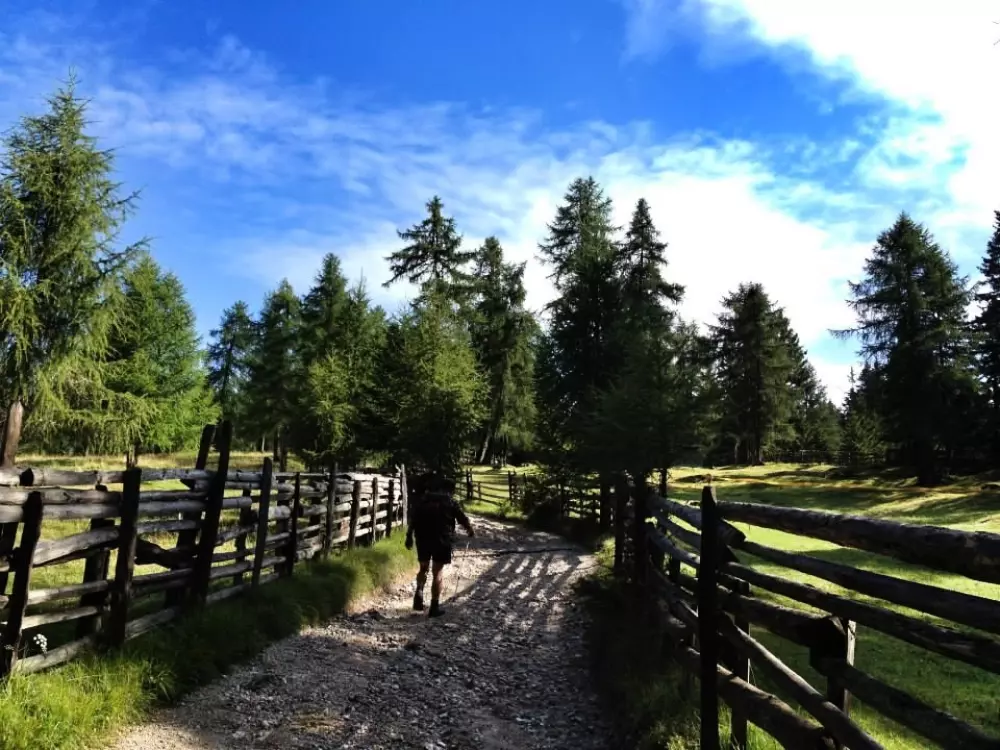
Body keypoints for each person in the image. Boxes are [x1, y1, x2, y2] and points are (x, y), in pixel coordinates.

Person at [405, 473, 474, 617]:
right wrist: (470, 530)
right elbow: (462, 519)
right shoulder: (450, 502)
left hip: (422, 538)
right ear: (451, 490)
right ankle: (434, 606)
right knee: (437, 572)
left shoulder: (424, 500)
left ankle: (419, 589)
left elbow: (413, 519)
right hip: (441, 539)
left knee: (423, 568)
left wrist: (409, 536)